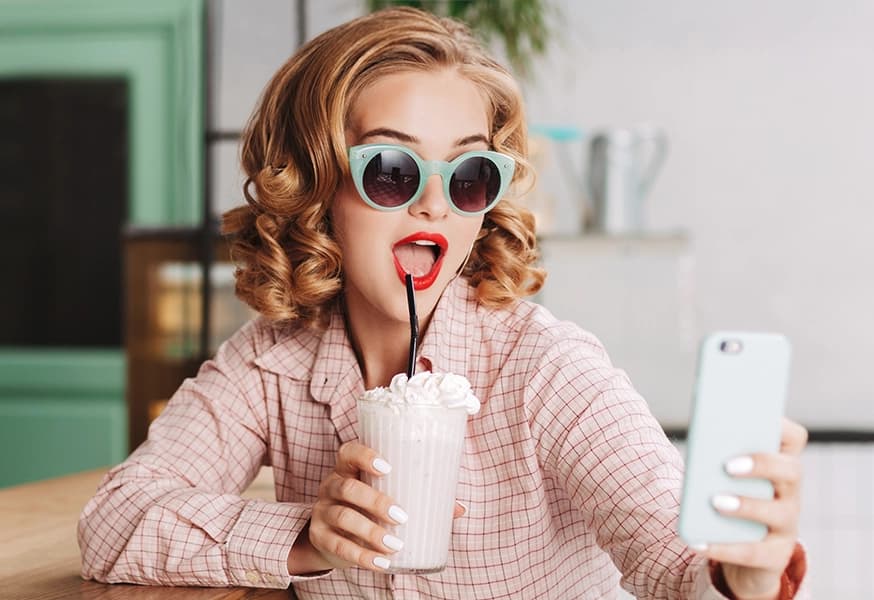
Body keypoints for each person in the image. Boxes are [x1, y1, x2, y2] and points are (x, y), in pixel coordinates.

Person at [78, 7, 809, 599]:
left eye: (469, 174)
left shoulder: (544, 368)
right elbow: (113, 522)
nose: (435, 204)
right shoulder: (270, 366)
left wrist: (738, 580)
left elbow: (671, 563)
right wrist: (306, 537)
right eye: (393, 169)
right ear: (312, 186)